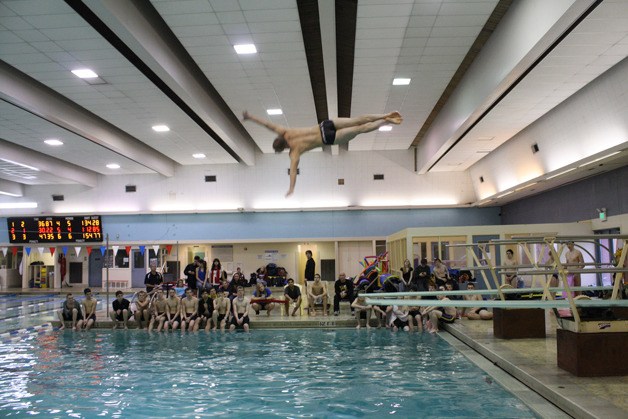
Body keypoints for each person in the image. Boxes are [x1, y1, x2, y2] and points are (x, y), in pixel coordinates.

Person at [243, 110, 403, 196]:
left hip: (329, 137)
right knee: (357, 120)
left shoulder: (294, 152)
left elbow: (293, 172)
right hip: (324, 125)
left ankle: (385, 121)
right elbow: (266, 124)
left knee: (359, 129)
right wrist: (250, 117)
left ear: (283, 148)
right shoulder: (284, 131)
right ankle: (385, 115)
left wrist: (291, 188)